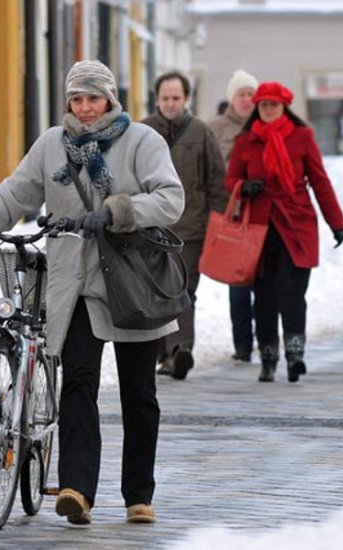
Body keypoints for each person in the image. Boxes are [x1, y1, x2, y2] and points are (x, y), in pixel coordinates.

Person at [0, 60, 183, 525]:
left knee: (139, 392)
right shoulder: (53, 144)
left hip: (133, 283)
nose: (85, 108)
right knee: (77, 383)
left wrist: (116, 211)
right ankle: (76, 489)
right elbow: (16, 195)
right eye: (77, 99)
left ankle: (138, 495)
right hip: (77, 285)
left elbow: (171, 199)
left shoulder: (141, 142)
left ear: (110, 99)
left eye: (94, 98)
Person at [227, 81, 343, 383]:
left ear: (284, 108)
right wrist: (244, 187)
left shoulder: (302, 137)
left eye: (273, 105)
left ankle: (295, 354)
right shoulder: (246, 141)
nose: (268, 110)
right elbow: (230, 181)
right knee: (264, 297)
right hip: (260, 228)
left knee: (293, 294)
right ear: (257, 107)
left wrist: (338, 223)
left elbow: (320, 181)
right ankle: (268, 357)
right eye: (263, 105)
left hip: (296, 225)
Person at [142, 71, 227, 380]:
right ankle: (165, 353)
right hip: (150, 229)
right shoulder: (143, 131)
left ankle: (180, 351)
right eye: (165, 98)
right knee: (156, 292)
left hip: (191, 230)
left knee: (182, 291)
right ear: (157, 99)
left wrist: (217, 224)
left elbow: (217, 182)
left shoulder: (201, 133)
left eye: (176, 98)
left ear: (186, 99)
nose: (170, 103)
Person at [208, 68, 262, 362]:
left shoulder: (265, 125)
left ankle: (266, 336)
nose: (246, 100)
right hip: (234, 213)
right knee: (239, 281)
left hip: (263, 214)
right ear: (232, 97)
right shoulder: (215, 128)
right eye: (241, 94)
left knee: (265, 281)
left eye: (251, 94)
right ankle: (243, 344)